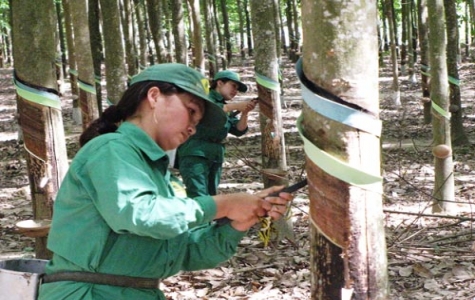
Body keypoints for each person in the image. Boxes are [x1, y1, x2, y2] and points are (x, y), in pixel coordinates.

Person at [37, 63, 292, 300]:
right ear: (154, 97)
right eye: (191, 111)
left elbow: (185, 252)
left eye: (197, 121)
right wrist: (223, 205)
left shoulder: (160, 176)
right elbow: (139, 214)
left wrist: (240, 221)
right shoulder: (111, 149)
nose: (193, 127)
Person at [177, 70, 258, 197]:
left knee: (211, 195)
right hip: (196, 152)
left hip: (215, 154)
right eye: (233, 86)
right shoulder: (203, 97)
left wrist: (245, 113)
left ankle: (210, 217)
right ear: (219, 83)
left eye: (237, 89)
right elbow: (210, 111)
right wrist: (235, 106)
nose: (235, 91)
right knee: (198, 194)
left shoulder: (225, 106)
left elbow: (238, 130)